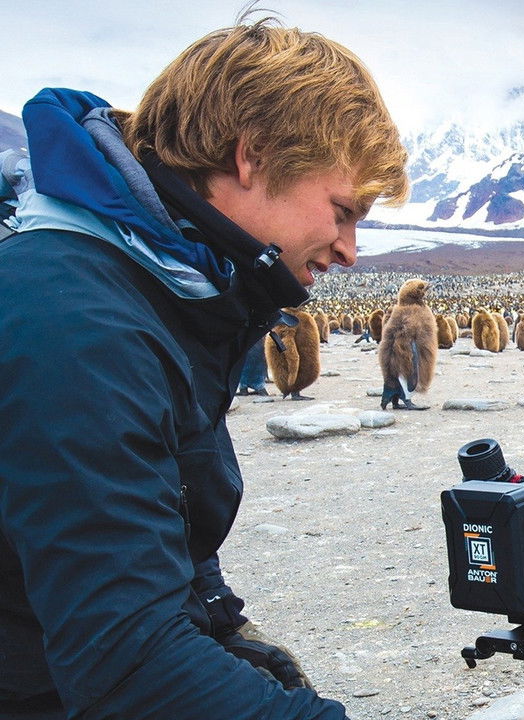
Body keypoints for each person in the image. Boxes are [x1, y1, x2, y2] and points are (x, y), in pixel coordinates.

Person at [0, 16, 407, 720]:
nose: (349, 250)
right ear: (252, 158)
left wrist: (219, 619)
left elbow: (156, 505)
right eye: (342, 211)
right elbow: (125, 660)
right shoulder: (80, 326)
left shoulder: (168, 282)